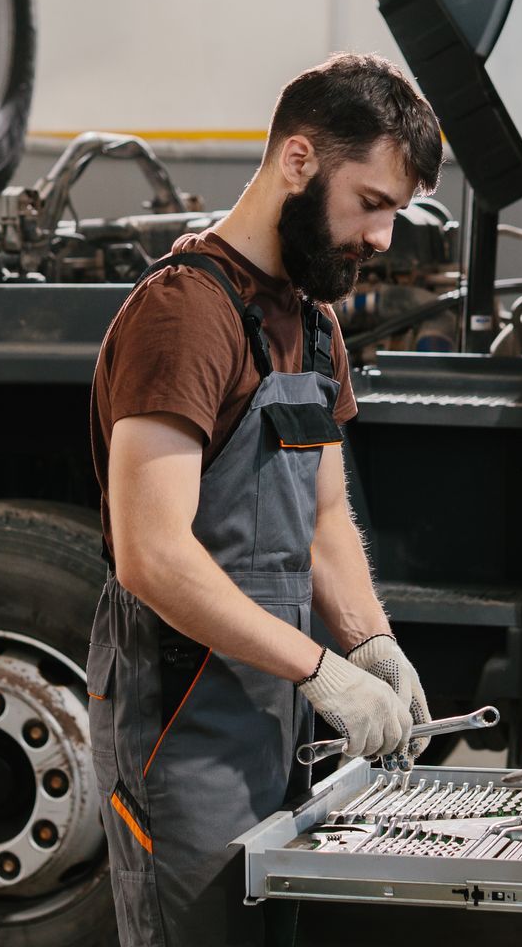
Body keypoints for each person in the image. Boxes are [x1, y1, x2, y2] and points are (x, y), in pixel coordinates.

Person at [86, 52, 444, 945]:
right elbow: (152, 554)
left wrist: (370, 643)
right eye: (371, 203)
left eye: (395, 214)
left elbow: (325, 518)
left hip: (273, 713)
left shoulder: (313, 324)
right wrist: (320, 670)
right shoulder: (184, 315)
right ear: (298, 160)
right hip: (183, 727)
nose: (382, 238)